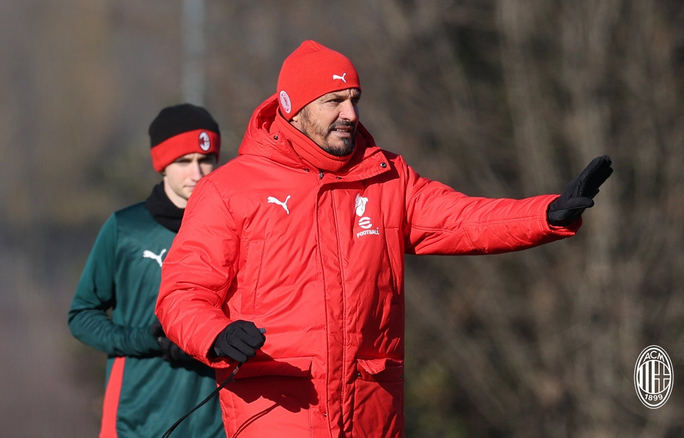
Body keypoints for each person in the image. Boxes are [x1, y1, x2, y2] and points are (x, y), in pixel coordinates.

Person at [155, 41, 613, 438]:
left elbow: (463, 219)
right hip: (276, 412)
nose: (350, 114)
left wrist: (545, 213)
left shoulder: (388, 178)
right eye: (334, 101)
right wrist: (216, 334)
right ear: (292, 106)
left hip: (371, 415)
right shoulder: (228, 189)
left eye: (354, 100)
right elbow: (182, 293)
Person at [68, 104, 226, 438]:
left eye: (205, 160)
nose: (197, 173)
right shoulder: (126, 229)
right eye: (183, 161)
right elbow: (82, 315)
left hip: (217, 420)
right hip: (137, 419)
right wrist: (146, 338)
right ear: (162, 164)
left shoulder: (234, 228)